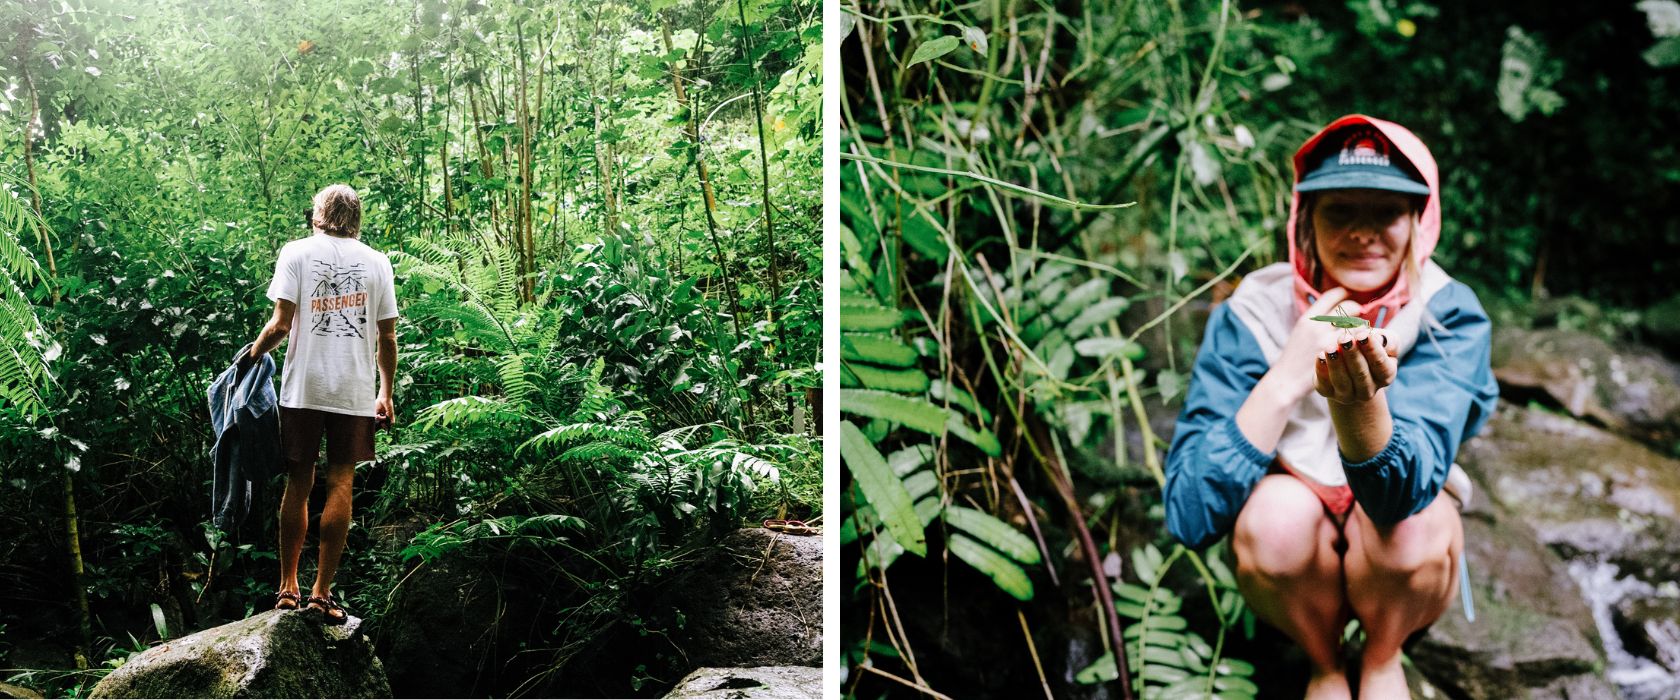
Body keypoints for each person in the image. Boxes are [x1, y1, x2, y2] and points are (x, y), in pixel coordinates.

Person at [1163, 115, 1498, 698]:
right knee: (1271, 523)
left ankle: (1382, 656)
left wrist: (1358, 403)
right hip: (1298, 524)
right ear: (1305, 224)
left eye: (1387, 212)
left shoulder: (1450, 313)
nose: (1363, 233)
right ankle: (1324, 664)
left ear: (1419, 224)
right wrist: (1288, 375)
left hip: (1391, 534)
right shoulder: (1252, 312)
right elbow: (1190, 515)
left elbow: (1400, 497)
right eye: (1341, 211)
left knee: (1415, 530)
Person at [240, 184, 399, 624]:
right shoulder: (377, 262)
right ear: (357, 218)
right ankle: (322, 593)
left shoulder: (296, 252)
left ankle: (287, 588)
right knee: (342, 482)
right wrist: (384, 392)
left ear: (317, 215)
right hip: (352, 389)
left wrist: (250, 357)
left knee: (299, 482)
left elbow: (279, 324)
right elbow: (387, 337)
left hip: (304, 388)